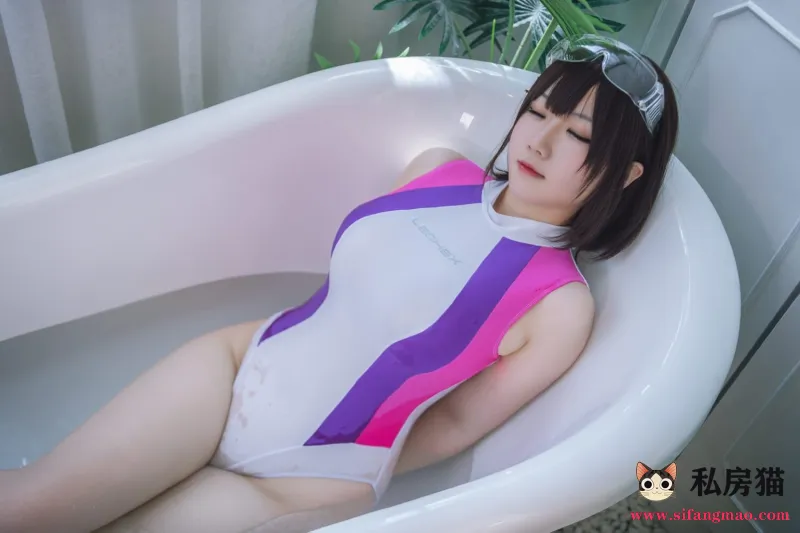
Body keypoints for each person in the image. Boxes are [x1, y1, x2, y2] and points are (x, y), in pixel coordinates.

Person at [0, 34, 679, 533]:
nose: (540, 140)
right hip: (236, 365)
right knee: (27, 510)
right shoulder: (436, 169)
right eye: (539, 110)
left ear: (626, 176)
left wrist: (350, 470)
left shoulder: (560, 304)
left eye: (579, 135)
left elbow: (454, 424)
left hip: (305, 477)